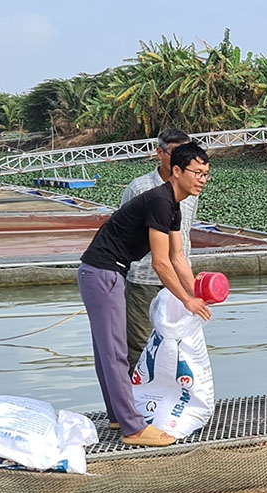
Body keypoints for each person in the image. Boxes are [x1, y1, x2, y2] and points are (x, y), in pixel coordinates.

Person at [78, 142, 213, 446]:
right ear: (176, 171)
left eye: (205, 174)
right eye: (196, 173)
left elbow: (178, 257)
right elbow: (160, 262)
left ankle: (118, 415)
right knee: (114, 353)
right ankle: (133, 429)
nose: (202, 179)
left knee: (107, 351)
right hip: (102, 272)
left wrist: (196, 293)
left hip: (106, 272)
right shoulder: (159, 201)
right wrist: (186, 300)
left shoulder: (173, 205)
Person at [121, 128, 197, 370]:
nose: (182, 160)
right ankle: (138, 393)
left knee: (180, 343)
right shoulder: (139, 188)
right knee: (140, 344)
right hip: (145, 279)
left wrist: (193, 289)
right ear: (159, 153)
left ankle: (175, 391)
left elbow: (182, 237)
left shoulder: (191, 188)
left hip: (180, 278)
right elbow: (124, 233)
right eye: (176, 153)